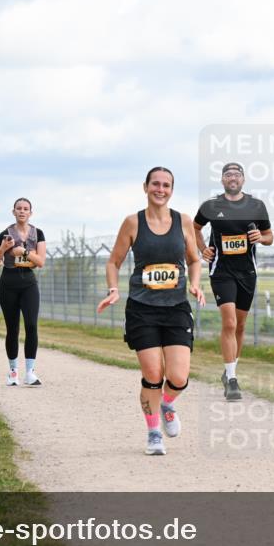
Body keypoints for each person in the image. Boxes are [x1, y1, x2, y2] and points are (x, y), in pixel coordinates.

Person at [98, 166, 205, 456]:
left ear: (172, 190)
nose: (160, 189)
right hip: (142, 308)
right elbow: (113, 262)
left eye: (166, 185)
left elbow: (194, 260)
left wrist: (195, 285)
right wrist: (113, 289)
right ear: (145, 187)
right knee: (153, 373)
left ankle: (167, 404)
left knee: (179, 377)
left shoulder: (183, 221)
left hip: (176, 308)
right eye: (155, 184)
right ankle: (153, 431)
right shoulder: (133, 222)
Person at [194, 162, 273, 401]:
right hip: (221, 272)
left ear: (243, 179)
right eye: (228, 174)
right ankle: (232, 380)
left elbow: (270, 236)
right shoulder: (211, 206)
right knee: (228, 323)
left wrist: (261, 237)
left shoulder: (256, 206)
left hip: (247, 272)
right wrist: (202, 249)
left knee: (239, 326)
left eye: (236, 174)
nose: (232, 178)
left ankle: (230, 371)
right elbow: (194, 227)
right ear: (222, 180)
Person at [0, 198, 46, 386]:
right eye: (19, 209)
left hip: (28, 283)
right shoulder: (5, 234)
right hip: (9, 282)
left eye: (26, 209)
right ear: (13, 212)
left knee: (31, 325)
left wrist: (24, 252)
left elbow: (40, 262)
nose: (22, 211)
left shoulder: (38, 233)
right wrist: (4, 249)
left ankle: (30, 371)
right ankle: (13, 371)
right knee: (12, 328)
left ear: (31, 212)